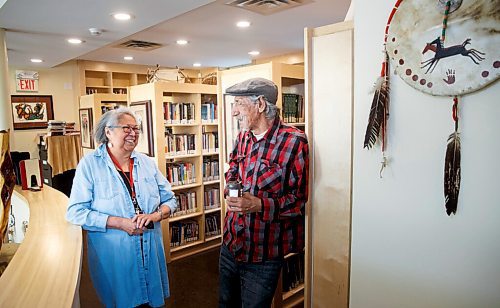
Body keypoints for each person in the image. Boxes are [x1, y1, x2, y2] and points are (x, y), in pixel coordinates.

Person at [66, 107, 177, 308]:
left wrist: (155, 216)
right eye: (126, 128)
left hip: (150, 252)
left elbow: (171, 200)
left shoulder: (146, 163)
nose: (133, 133)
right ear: (108, 132)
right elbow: (75, 212)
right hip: (116, 260)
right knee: (123, 302)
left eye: (136, 129)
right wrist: (119, 223)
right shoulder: (90, 165)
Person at [219, 78, 309, 307]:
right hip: (230, 244)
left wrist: (259, 205)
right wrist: (230, 188)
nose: (234, 112)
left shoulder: (294, 142)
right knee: (226, 303)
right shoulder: (243, 138)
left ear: (260, 104)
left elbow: (298, 202)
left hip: (263, 253)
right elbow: (233, 170)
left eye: (238, 103)